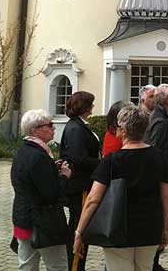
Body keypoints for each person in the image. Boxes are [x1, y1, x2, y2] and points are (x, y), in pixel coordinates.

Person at [73, 104, 168, 271]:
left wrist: (79, 232)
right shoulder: (159, 157)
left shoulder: (111, 160)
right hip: (150, 225)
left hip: (117, 226)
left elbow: (93, 199)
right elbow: (166, 196)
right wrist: (165, 228)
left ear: (124, 130)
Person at [11, 109, 72, 271]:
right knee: (57, 266)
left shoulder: (23, 151)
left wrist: (53, 170)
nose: (53, 128)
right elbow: (51, 194)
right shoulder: (39, 156)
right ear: (34, 130)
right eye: (49, 125)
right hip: (43, 222)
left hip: (23, 217)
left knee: (27, 265)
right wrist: (64, 176)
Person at [60, 90, 100, 271]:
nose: (92, 107)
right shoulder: (76, 128)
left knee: (80, 226)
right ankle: (75, 266)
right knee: (79, 227)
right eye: (90, 104)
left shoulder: (78, 125)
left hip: (82, 183)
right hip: (81, 185)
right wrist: (103, 162)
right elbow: (79, 159)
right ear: (83, 106)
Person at [145, 83, 168, 271]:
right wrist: (163, 178)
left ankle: (153, 261)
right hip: (162, 179)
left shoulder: (163, 118)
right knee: (159, 218)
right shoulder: (160, 121)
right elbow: (156, 151)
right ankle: (152, 262)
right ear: (167, 99)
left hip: (166, 176)